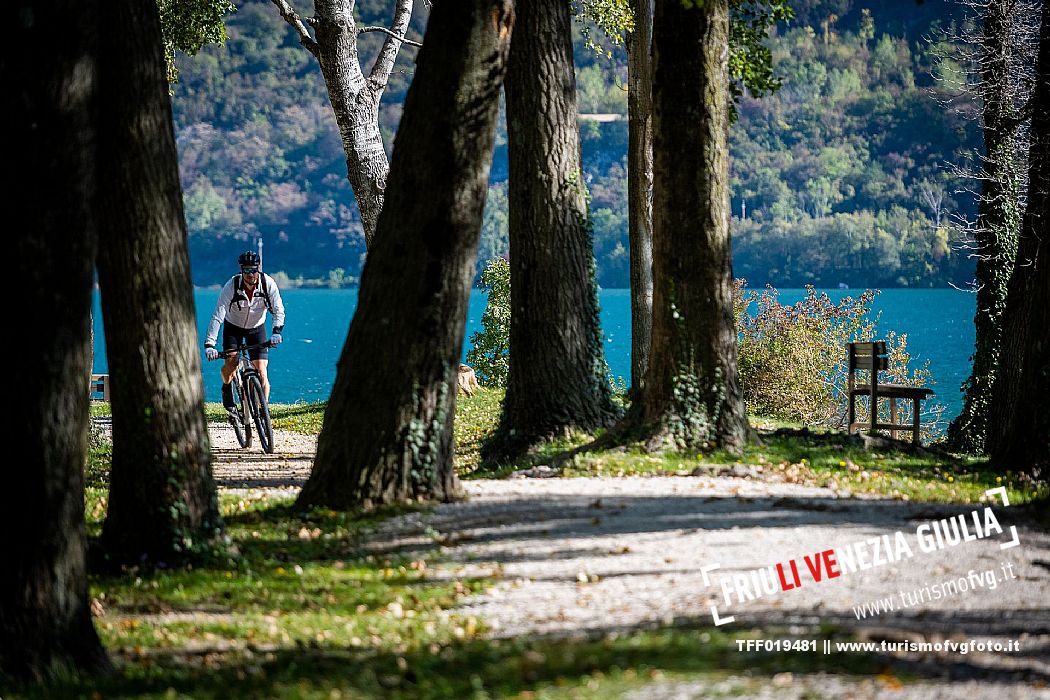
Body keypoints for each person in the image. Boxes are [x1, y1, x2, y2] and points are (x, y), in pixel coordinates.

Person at [204, 250, 286, 411]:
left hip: (256, 328)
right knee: (232, 362)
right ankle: (227, 386)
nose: (250, 274)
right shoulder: (232, 285)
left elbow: (278, 309)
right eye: (246, 270)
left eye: (253, 269)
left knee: (262, 371)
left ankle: (263, 414)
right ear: (241, 270)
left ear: (258, 268)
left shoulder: (268, 283)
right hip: (233, 328)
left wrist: (276, 331)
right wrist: (209, 345)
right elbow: (218, 315)